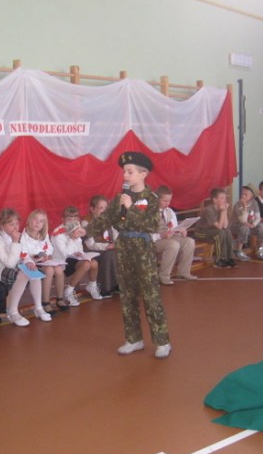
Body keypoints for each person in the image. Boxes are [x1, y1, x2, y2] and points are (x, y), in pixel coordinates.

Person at [88, 151, 171, 359]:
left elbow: (151, 225)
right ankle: (134, 339)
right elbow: (106, 219)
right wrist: (85, 229)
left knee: (151, 296)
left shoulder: (151, 199)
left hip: (142, 250)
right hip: (124, 248)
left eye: (130, 172)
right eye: (124, 172)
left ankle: (162, 341)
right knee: (127, 296)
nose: (125, 175)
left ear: (143, 174)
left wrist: (130, 208)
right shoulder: (120, 198)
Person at [0, 208, 52, 326]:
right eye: (11, 224)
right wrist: (15, 242)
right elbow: (9, 263)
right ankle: (12, 311)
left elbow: (24, 254)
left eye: (17, 223)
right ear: (2, 225)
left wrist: (29, 262)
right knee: (24, 273)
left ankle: (38, 307)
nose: (15, 227)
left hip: (14, 266)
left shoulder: (18, 236)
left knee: (33, 270)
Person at [51, 205, 103, 306]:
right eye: (69, 220)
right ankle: (69, 291)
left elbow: (79, 246)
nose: (72, 222)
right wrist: (72, 238)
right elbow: (65, 253)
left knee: (94, 263)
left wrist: (81, 253)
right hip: (62, 261)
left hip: (74, 258)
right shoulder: (58, 233)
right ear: (63, 220)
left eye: (75, 219)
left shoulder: (77, 228)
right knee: (86, 264)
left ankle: (92, 286)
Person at [20, 209, 67, 315]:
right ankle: (45, 302)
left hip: (43, 262)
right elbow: (25, 252)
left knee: (59, 269)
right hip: (30, 263)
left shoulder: (43, 235)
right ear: (30, 220)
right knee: (49, 270)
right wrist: (40, 254)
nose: (37, 223)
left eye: (41, 221)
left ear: (44, 224)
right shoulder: (23, 236)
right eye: (35, 220)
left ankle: (59, 299)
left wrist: (45, 254)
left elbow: (49, 248)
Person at [152, 185, 197, 284]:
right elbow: (146, 234)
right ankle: (163, 276)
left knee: (189, 242)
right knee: (173, 245)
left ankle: (183, 271)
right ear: (157, 199)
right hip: (154, 241)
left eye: (169, 200)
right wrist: (161, 236)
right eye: (164, 201)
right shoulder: (150, 213)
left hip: (168, 237)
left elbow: (174, 228)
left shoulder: (169, 211)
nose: (167, 203)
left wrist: (181, 231)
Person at [82, 195, 118, 298]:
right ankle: (104, 287)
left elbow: (115, 235)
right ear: (92, 209)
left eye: (106, 208)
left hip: (108, 248)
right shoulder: (86, 222)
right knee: (110, 253)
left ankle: (117, 284)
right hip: (92, 251)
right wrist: (108, 246)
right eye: (101, 208)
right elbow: (90, 244)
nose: (104, 211)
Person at [194, 188, 236, 268]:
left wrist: (225, 211)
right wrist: (223, 211)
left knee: (227, 231)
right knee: (220, 233)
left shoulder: (221, 208)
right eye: (222, 198)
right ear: (215, 200)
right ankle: (219, 259)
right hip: (201, 232)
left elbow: (225, 226)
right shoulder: (209, 210)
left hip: (212, 231)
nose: (225, 200)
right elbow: (219, 227)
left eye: (225, 197)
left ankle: (230, 257)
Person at [230, 184, 263, 261]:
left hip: (249, 225)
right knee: (245, 228)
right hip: (236, 226)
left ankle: (260, 249)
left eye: (246, 194)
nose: (243, 196)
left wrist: (253, 224)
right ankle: (239, 251)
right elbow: (243, 220)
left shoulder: (254, 203)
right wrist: (244, 206)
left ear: (252, 196)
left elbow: (258, 217)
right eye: (242, 194)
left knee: (262, 226)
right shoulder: (237, 205)